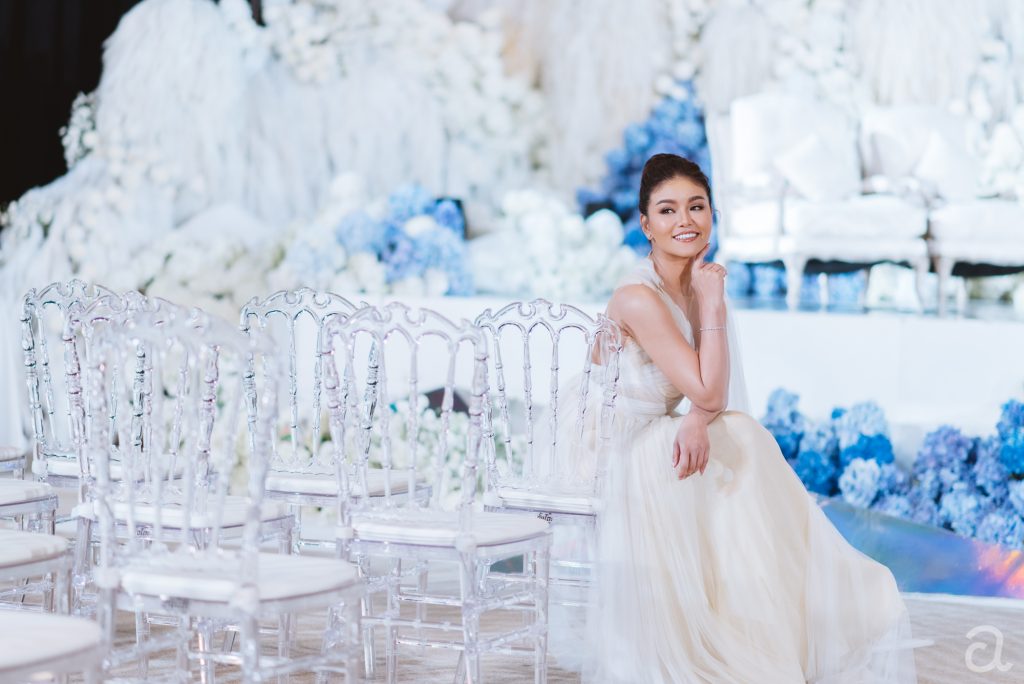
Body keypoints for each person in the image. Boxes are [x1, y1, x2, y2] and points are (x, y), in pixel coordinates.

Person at [572, 153, 917, 683]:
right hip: (609, 448)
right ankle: (752, 630)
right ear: (645, 225)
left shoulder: (698, 283)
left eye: (696, 206)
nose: (685, 220)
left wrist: (696, 417)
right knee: (739, 439)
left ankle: (771, 623)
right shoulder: (638, 297)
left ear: (713, 214)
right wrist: (712, 311)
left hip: (659, 430)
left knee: (740, 439)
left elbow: (712, 393)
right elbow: (710, 389)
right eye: (667, 210)